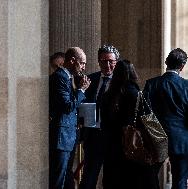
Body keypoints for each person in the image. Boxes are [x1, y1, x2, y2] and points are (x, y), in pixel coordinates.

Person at [101, 59, 163, 189]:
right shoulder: (138, 95)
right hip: (135, 148)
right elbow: (150, 122)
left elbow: (104, 123)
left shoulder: (107, 96)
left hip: (113, 149)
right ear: (133, 73)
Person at [143, 48, 188, 189]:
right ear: (182, 66)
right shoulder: (186, 86)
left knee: (150, 177)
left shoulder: (151, 84)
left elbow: (145, 113)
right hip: (181, 139)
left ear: (166, 62)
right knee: (180, 180)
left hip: (155, 138)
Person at [49, 47, 91, 189]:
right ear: (72, 60)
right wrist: (81, 90)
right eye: (82, 63)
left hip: (70, 136)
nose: (84, 67)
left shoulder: (69, 77)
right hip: (62, 136)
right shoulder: (59, 77)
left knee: (67, 175)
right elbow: (67, 106)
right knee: (59, 178)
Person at [79, 44, 120, 189]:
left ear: (116, 62)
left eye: (110, 61)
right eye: (103, 61)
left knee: (112, 179)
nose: (107, 65)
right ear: (98, 61)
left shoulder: (122, 83)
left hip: (114, 138)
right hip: (93, 136)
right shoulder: (90, 80)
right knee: (89, 178)